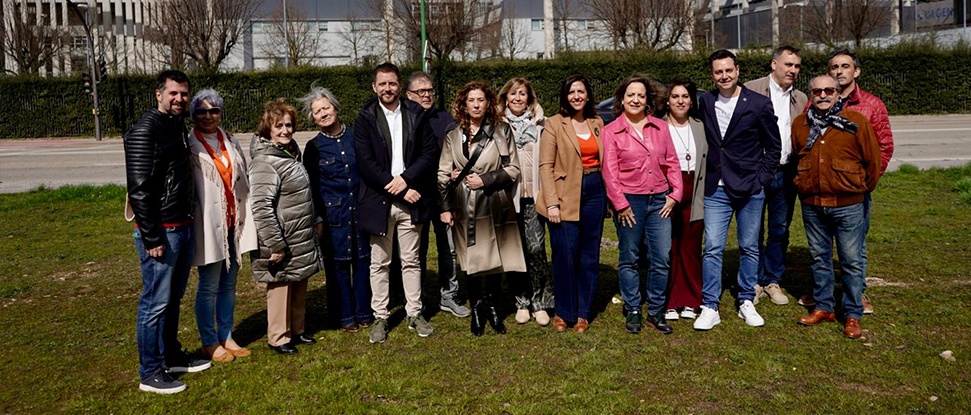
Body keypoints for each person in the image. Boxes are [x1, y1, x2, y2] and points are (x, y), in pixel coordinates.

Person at [125, 70, 210, 394]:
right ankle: (150, 372)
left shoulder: (175, 125)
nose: (179, 99)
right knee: (155, 302)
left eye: (184, 94)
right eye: (173, 93)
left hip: (182, 225)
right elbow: (140, 189)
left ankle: (171, 357)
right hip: (163, 230)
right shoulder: (145, 130)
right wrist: (152, 237)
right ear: (159, 94)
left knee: (173, 299)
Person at [798, 49, 894, 314]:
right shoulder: (814, 104)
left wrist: (863, 183)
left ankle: (856, 295)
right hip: (819, 191)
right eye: (834, 67)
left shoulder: (871, 105)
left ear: (856, 71)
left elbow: (883, 148)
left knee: (854, 249)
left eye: (845, 66)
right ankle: (823, 294)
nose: (839, 71)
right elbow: (803, 145)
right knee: (820, 250)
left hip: (852, 191)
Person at [694, 50, 781, 331]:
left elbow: (773, 147)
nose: (724, 76)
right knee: (712, 248)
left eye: (728, 70)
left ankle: (746, 300)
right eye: (718, 72)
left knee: (749, 247)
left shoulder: (758, 103)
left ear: (738, 70)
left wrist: (761, 180)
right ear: (712, 75)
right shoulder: (706, 101)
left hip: (749, 189)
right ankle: (710, 305)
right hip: (715, 188)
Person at [354, 63, 438, 344]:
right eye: (382, 84)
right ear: (374, 87)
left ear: (400, 86)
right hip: (380, 200)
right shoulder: (365, 118)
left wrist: (407, 180)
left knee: (411, 261)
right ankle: (380, 315)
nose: (387, 88)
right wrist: (400, 189)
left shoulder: (416, 114)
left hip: (411, 198)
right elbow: (366, 163)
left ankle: (415, 312)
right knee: (379, 263)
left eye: (392, 83)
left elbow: (429, 154)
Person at [792, 75, 880, 339]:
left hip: (848, 205)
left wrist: (858, 189)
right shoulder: (801, 124)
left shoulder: (855, 122)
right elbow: (797, 156)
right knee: (819, 258)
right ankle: (824, 307)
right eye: (817, 91)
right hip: (813, 205)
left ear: (838, 94)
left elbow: (872, 161)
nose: (823, 95)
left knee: (851, 261)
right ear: (811, 94)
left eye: (829, 90)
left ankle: (852, 313)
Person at [438, 81, 527, 336]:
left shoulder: (502, 130)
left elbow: (513, 169)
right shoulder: (453, 135)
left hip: (494, 201)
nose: (476, 105)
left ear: (488, 103)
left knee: (494, 259)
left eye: (481, 100)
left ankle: (493, 308)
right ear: (463, 105)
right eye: (471, 100)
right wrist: (445, 207)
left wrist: (485, 179)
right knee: (471, 259)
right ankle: (477, 310)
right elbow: (442, 173)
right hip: (463, 204)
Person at [601, 74, 682, 335]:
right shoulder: (610, 131)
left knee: (661, 258)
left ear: (648, 100)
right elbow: (609, 172)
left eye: (641, 95)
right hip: (629, 202)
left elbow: (673, 162)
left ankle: (656, 310)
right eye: (631, 95)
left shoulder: (661, 127)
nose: (635, 99)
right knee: (629, 258)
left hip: (659, 201)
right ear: (622, 100)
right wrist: (620, 204)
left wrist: (675, 194)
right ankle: (633, 308)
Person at [187, 89, 258, 363]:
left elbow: (243, 177)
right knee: (208, 285)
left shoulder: (230, 140)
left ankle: (227, 336)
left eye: (214, 111)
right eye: (202, 111)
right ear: (193, 114)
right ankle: (209, 341)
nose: (208, 116)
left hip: (233, 223)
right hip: (208, 223)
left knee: (229, 284)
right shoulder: (189, 144)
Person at [249, 99, 323, 355]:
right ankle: (279, 336)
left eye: (288, 125)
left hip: (299, 234)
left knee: (299, 280)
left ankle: (297, 329)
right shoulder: (265, 161)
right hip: (281, 237)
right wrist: (276, 244)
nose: (285, 130)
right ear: (267, 129)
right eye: (278, 126)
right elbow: (261, 207)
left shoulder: (290, 152)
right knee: (280, 285)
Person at [536, 73, 606, 333]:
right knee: (565, 254)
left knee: (589, 254)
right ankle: (564, 312)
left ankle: (583, 313)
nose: (577, 96)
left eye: (581, 91)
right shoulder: (554, 123)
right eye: (571, 92)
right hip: (564, 193)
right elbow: (545, 165)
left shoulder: (597, 122)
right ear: (565, 96)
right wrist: (552, 203)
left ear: (588, 95)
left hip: (594, 191)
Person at [301, 86, 373, 333]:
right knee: (338, 266)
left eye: (326, 107)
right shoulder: (314, 147)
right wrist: (318, 219)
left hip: (360, 211)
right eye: (317, 112)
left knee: (363, 261)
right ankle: (344, 315)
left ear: (335, 107)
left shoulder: (356, 137)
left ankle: (364, 311)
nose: (323, 114)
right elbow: (312, 187)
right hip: (334, 216)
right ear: (313, 118)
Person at [744, 45, 809, 307]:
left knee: (779, 229)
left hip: (786, 172)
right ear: (774, 64)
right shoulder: (751, 90)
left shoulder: (801, 99)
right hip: (757, 171)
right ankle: (753, 281)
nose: (793, 70)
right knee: (753, 228)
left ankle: (772, 279)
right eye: (788, 64)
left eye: (797, 66)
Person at [407, 71, 472, 319]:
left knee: (448, 248)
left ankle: (449, 295)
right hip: (416, 196)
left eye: (430, 90)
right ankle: (418, 299)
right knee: (417, 251)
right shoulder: (403, 120)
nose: (427, 95)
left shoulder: (445, 119)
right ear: (409, 95)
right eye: (421, 91)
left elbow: (460, 149)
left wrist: (457, 169)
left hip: (445, 194)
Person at [497, 77, 554, 326]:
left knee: (535, 249)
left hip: (534, 197)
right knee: (513, 250)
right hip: (508, 198)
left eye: (522, 94)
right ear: (506, 98)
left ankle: (539, 302)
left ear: (529, 98)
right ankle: (521, 301)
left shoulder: (543, 123)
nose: (517, 98)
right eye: (513, 94)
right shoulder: (497, 125)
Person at [660, 78, 708, 322]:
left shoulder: (700, 126)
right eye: (675, 96)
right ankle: (669, 301)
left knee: (690, 248)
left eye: (685, 96)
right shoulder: (658, 126)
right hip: (667, 192)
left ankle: (690, 299)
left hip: (695, 190)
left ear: (691, 101)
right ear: (667, 101)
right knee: (668, 248)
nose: (680, 101)